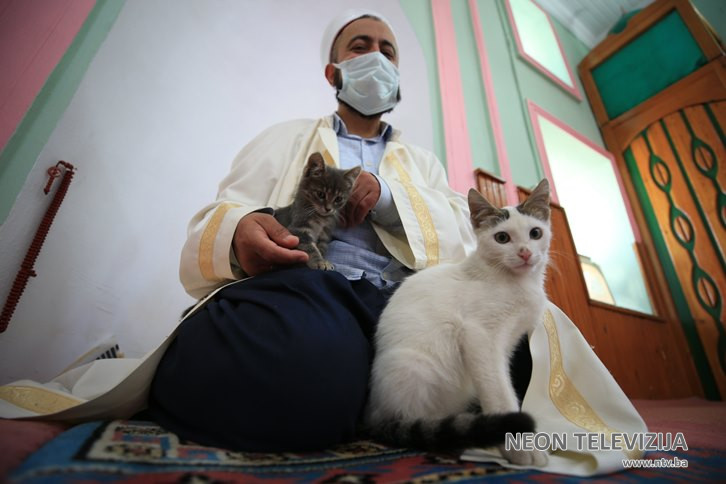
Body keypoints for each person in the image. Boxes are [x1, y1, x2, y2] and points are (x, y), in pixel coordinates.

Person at [145, 9, 477, 452]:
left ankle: (358, 387)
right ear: (332, 72)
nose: (376, 56)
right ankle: (354, 385)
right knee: (288, 370)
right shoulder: (284, 138)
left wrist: (387, 197)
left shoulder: (425, 164)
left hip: (409, 302)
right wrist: (239, 231)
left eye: (388, 51)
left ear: (397, 76)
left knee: (523, 348)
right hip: (311, 288)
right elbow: (223, 214)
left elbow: (465, 238)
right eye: (360, 47)